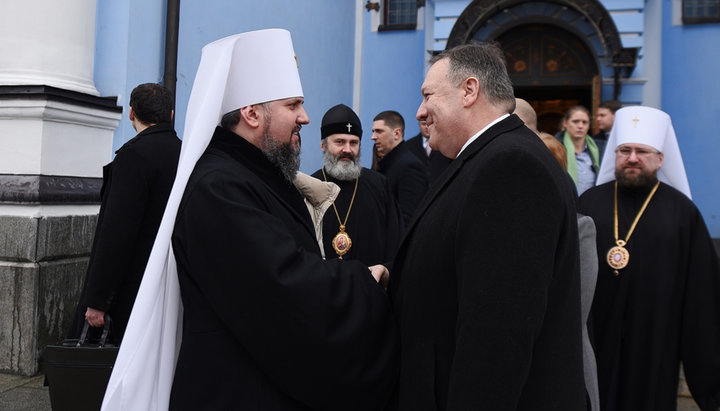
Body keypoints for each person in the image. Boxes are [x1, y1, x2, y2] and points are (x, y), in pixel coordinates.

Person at [101, 29, 397, 411]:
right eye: (293, 105)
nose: (305, 118)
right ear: (252, 113)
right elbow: (281, 286)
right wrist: (366, 280)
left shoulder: (253, 174)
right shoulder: (219, 188)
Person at [390, 42, 585, 410]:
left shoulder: (510, 166)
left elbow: (498, 334)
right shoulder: (486, 158)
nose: (420, 112)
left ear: (469, 90)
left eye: (428, 95)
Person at [579, 106, 720, 411]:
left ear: (660, 158)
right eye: (624, 150)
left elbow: (701, 294)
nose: (632, 158)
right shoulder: (589, 202)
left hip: (656, 337)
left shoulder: (682, 213)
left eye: (642, 151)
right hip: (597, 335)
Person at [68, 83, 180, 343]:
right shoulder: (186, 154)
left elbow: (117, 234)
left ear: (131, 113)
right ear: (171, 114)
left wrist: (98, 301)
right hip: (171, 281)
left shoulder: (134, 157)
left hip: (133, 286)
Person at [311, 103, 401, 265]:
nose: (347, 149)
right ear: (323, 145)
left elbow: (395, 244)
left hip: (370, 286)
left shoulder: (379, 186)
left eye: (354, 143)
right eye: (339, 142)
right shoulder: (309, 189)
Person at [372, 110, 428, 227]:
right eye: (373, 131)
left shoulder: (410, 166)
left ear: (397, 133)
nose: (373, 137)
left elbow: (409, 219)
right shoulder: (388, 163)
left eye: (379, 131)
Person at [555, 105, 604, 195]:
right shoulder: (555, 147)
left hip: (592, 204)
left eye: (584, 122)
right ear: (565, 123)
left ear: (589, 125)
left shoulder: (600, 149)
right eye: (575, 122)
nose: (580, 126)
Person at [406, 118, 452, 186]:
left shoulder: (447, 144)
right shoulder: (409, 146)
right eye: (424, 124)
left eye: (429, 123)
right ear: (419, 125)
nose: (427, 127)